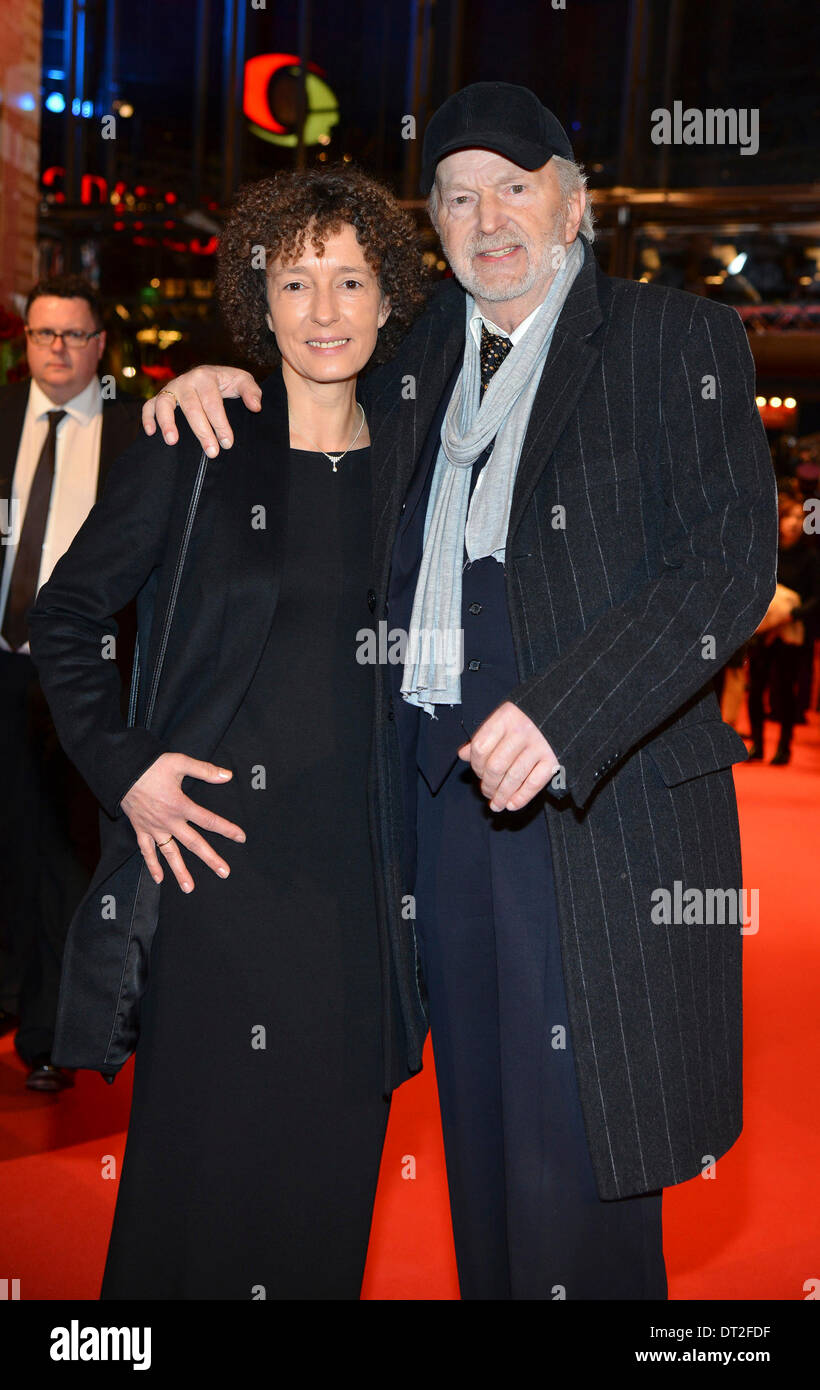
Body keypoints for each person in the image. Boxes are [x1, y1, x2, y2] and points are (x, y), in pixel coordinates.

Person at [145, 83, 778, 1300]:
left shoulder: (673, 341)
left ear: (574, 203)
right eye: (457, 196)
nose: (488, 218)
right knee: (480, 1147)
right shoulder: (421, 349)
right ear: (431, 226)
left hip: (597, 818)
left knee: (582, 1172)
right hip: (431, 810)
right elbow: (308, 374)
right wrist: (205, 383)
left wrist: (562, 715)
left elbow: (725, 566)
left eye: (516, 187)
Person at [27, 167, 427, 1299]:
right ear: (257, 299)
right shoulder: (198, 439)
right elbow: (63, 617)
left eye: (350, 278)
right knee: (193, 1195)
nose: (323, 308)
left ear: (391, 295)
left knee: (323, 1199)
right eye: (293, 280)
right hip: (213, 878)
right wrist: (124, 763)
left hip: (363, 892)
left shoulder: (419, 454)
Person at [0, 276, 141, 1090]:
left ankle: (51, 1032)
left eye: (73, 336)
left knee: (65, 852)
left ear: (99, 347)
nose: (56, 349)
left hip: (83, 680)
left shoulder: (134, 431)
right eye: (42, 334)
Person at [746, 492, 820, 764]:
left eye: (800, 518)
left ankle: (784, 747)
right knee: (756, 690)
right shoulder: (766, 554)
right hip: (762, 633)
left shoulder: (810, 557)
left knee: (785, 691)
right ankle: (757, 745)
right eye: (789, 516)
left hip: (791, 632)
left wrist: (792, 615)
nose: (794, 522)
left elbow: (816, 596)